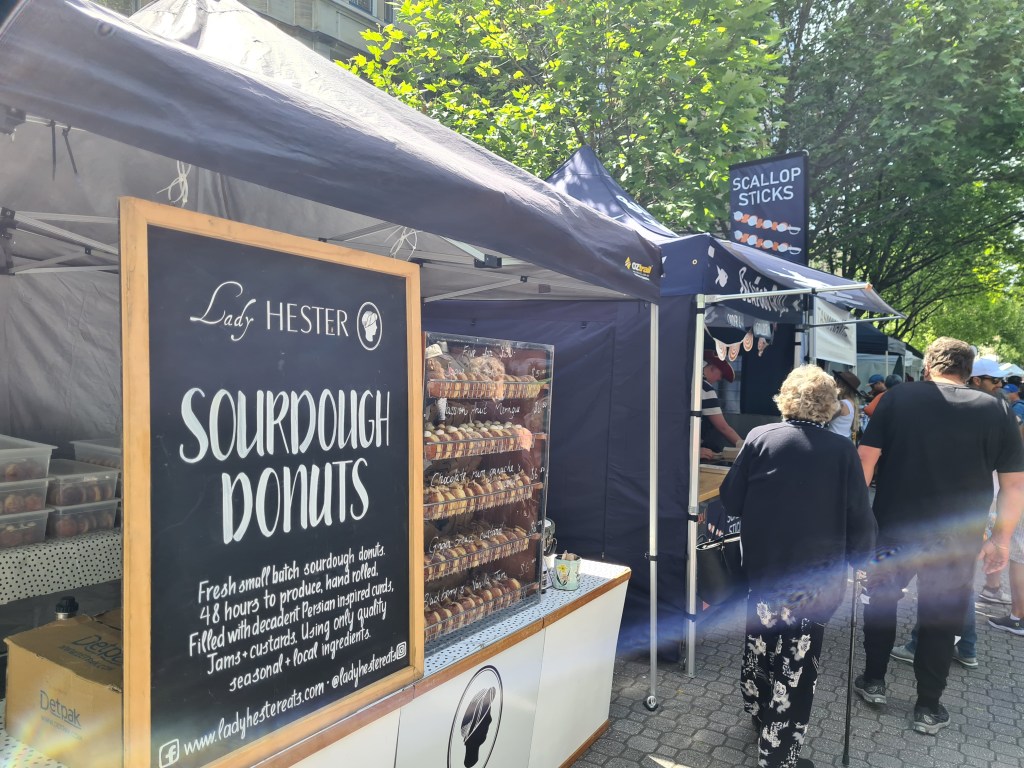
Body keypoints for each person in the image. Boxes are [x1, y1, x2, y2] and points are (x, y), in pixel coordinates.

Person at [854, 337, 1024, 735]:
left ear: (928, 366)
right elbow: (1014, 485)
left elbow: (865, 459)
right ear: (969, 372)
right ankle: (928, 705)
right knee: (940, 615)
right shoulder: (998, 409)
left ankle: (874, 680)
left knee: (882, 600)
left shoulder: (898, 398)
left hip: (894, 526)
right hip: (958, 538)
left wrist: (857, 519)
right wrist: (1001, 539)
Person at [720, 365, 876, 768]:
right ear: (830, 405)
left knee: (760, 644)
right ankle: (778, 755)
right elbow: (860, 516)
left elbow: (731, 499)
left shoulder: (760, 437)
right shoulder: (841, 451)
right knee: (797, 663)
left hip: (764, 569)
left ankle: (759, 713)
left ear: (786, 398)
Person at [701, 351, 743, 453]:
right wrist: (745, 447)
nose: (720, 379)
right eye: (720, 375)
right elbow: (723, 428)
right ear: (713, 368)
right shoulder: (705, 388)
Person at [829, 370, 861, 440]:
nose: (835, 384)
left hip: (835, 439)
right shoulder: (852, 402)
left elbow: (826, 419)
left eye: (837, 382)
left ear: (842, 386)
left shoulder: (842, 404)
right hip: (844, 439)